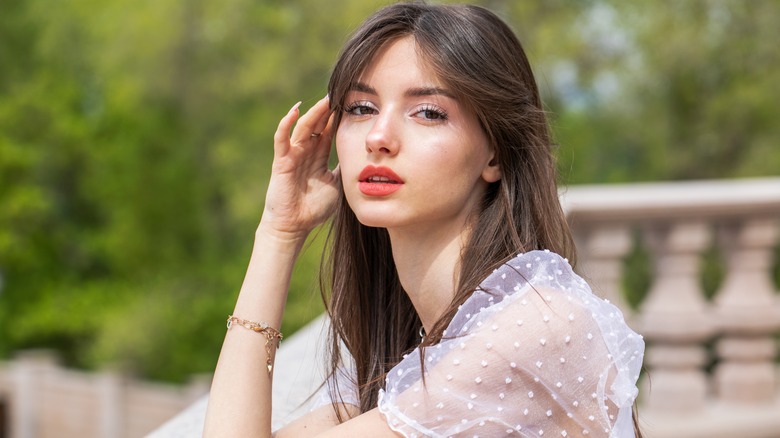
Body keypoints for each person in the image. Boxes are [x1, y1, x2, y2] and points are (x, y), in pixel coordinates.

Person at [203, 3, 644, 437]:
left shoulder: (534, 328)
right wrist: (279, 232)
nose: (379, 137)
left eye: (428, 112)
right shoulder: (394, 354)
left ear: (495, 153)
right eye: (361, 108)